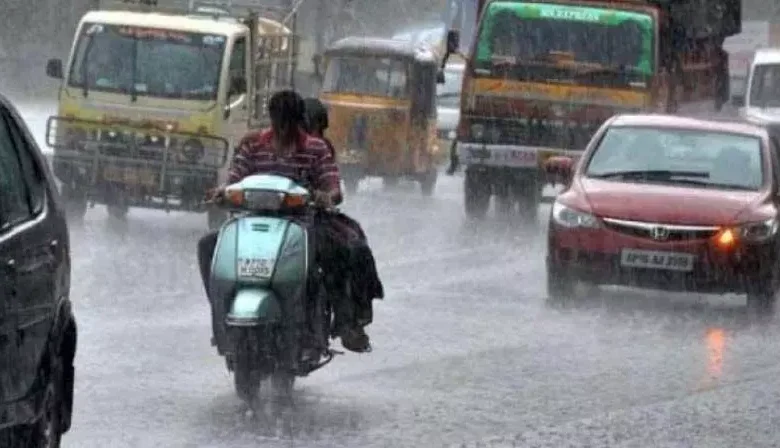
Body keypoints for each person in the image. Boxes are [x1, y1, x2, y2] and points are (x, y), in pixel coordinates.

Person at [197, 90, 381, 353]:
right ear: (271, 120)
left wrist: (326, 196)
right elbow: (234, 178)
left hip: (302, 225)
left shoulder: (316, 149)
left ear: (299, 122)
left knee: (337, 253)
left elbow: (333, 187)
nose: (282, 131)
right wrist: (221, 192)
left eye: (288, 124)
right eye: (278, 123)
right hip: (252, 223)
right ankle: (221, 316)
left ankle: (344, 322)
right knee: (208, 247)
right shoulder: (253, 145)